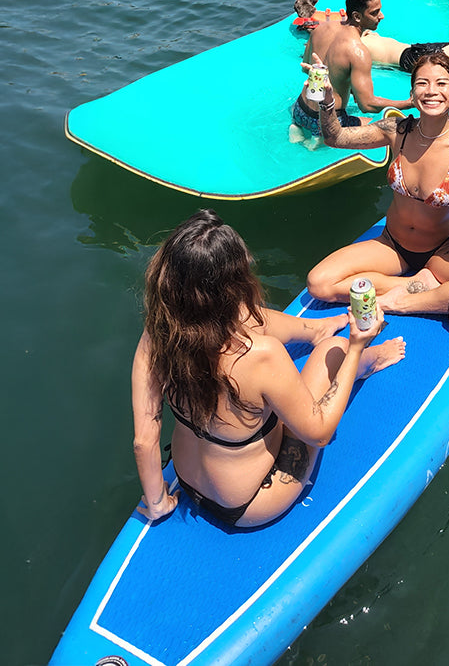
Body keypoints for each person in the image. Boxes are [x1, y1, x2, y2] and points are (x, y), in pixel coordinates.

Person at [132, 210, 405, 529]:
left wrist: (158, 504)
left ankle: (313, 328)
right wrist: (357, 344)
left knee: (244, 318)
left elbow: (144, 441)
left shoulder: (157, 335)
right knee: (334, 351)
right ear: (234, 282)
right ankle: (368, 360)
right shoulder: (261, 355)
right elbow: (319, 434)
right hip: (253, 501)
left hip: (188, 481)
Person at [308, 52, 449, 325]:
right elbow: (336, 137)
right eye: (422, 83)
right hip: (393, 245)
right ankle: (417, 285)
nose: (431, 92)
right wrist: (326, 102)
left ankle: (403, 302)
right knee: (319, 283)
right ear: (413, 92)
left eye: (441, 84)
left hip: (442, 250)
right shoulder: (397, 130)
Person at [292, 0, 449, 143]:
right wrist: (409, 103)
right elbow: (367, 105)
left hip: (300, 109)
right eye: (375, 12)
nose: (381, 16)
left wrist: (334, 79)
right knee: (385, 126)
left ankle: (298, 129)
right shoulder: (358, 51)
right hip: (326, 122)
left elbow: (308, 65)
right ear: (357, 16)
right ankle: (316, 138)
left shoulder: (322, 27)